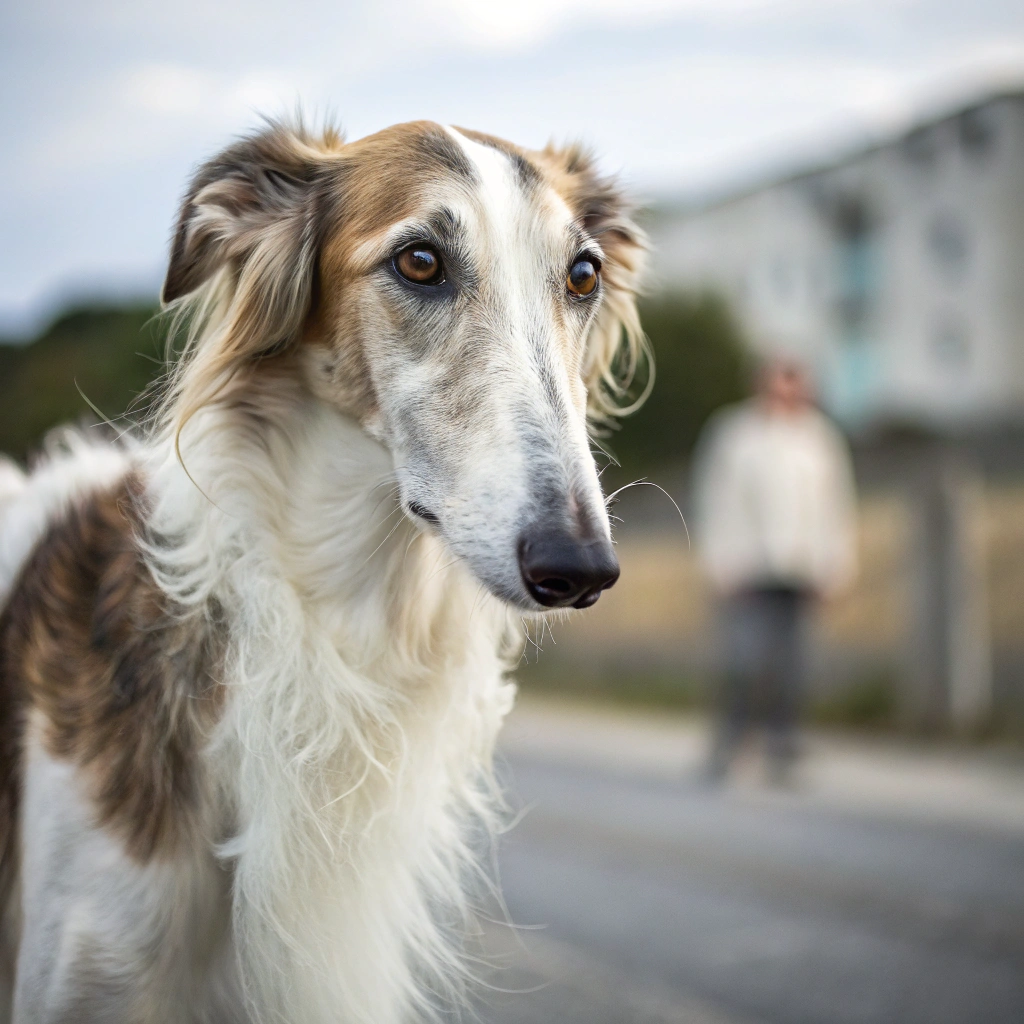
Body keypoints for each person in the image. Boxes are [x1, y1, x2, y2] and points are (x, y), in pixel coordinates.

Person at [693, 357, 858, 783]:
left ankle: (782, 751)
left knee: (794, 667)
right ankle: (729, 746)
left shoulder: (820, 439)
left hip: (801, 569)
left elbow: (836, 505)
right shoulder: (734, 433)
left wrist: (834, 565)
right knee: (743, 662)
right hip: (747, 568)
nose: (787, 389)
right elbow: (715, 500)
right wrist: (719, 563)